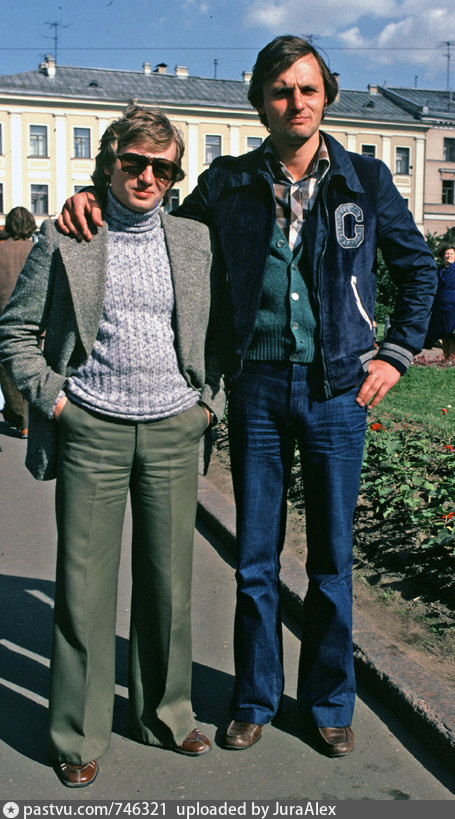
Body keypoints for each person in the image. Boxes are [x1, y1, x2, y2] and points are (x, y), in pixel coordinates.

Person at [56, 36, 437, 759]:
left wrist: (395, 354)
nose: (296, 102)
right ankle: (255, 698)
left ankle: (328, 701)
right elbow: (156, 220)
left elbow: (419, 270)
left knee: (331, 561)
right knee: (256, 558)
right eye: (281, 90)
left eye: (308, 89)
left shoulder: (364, 179)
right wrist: (91, 195)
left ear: (326, 95)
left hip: (337, 392)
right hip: (255, 387)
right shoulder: (229, 182)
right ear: (260, 101)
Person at [0, 106, 225, 787]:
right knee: (83, 591)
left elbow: (216, 333)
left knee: (169, 584)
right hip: (91, 428)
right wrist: (56, 400)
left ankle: (165, 714)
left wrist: (205, 403)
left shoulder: (193, 239)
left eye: (163, 168)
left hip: (172, 427)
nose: (148, 177)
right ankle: (78, 733)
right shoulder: (67, 235)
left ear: (175, 176)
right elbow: (14, 333)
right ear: (110, 164)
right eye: (135, 162)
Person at [0, 206, 36, 438]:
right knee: (32, 368)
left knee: (7, 369)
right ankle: (30, 418)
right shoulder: (37, 249)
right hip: (34, 320)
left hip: (4, 318)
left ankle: (20, 418)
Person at [426, 243, 455, 359]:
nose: (449, 256)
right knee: (444, 334)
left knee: (453, 334)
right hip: (440, 308)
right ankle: (447, 358)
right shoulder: (439, 270)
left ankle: (453, 359)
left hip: (453, 308)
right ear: (443, 255)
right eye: (447, 253)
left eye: (452, 254)